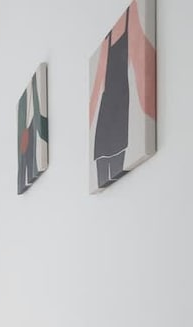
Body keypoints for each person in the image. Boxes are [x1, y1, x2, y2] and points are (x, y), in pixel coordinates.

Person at [89, 1, 157, 189]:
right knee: (105, 176)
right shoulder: (107, 42)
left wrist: (149, 114)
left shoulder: (132, 16)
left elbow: (140, 64)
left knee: (118, 177)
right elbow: (95, 90)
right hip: (106, 116)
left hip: (119, 115)